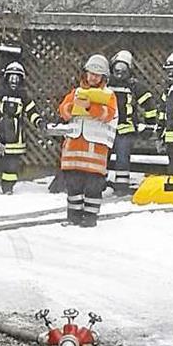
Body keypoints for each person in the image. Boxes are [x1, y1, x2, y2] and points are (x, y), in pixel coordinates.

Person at [57, 54, 118, 227]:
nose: (93, 78)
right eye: (91, 74)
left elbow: (108, 114)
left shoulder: (109, 95)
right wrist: (72, 107)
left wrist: (90, 107)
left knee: (93, 187)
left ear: (104, 77)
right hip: (73, 150)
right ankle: (74, 217)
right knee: (73, 185)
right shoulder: (76, 92)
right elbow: (63, 110)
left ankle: (90, 217)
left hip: (95, 151)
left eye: (97, 75)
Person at [0, 61, 46, 194]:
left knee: (11, 167)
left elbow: (32, 112)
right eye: (11, 77)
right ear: (6, 78)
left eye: (17, 77)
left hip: (15, 137)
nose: (14, 80)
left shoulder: (24, 97)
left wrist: (39, 122)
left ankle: (8, 189)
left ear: (21, 80)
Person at [107, 50, 157, 194]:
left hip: (125, 131)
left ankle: (121, 187)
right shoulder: (106, 84)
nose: (119, 74)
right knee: (102, 158)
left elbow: (149, 104)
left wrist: (149, 125)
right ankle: (98, 185)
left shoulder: (134, 86)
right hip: (106, 129)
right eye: (117, 70)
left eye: (123, 70)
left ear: (129, 70)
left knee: (122, 158)